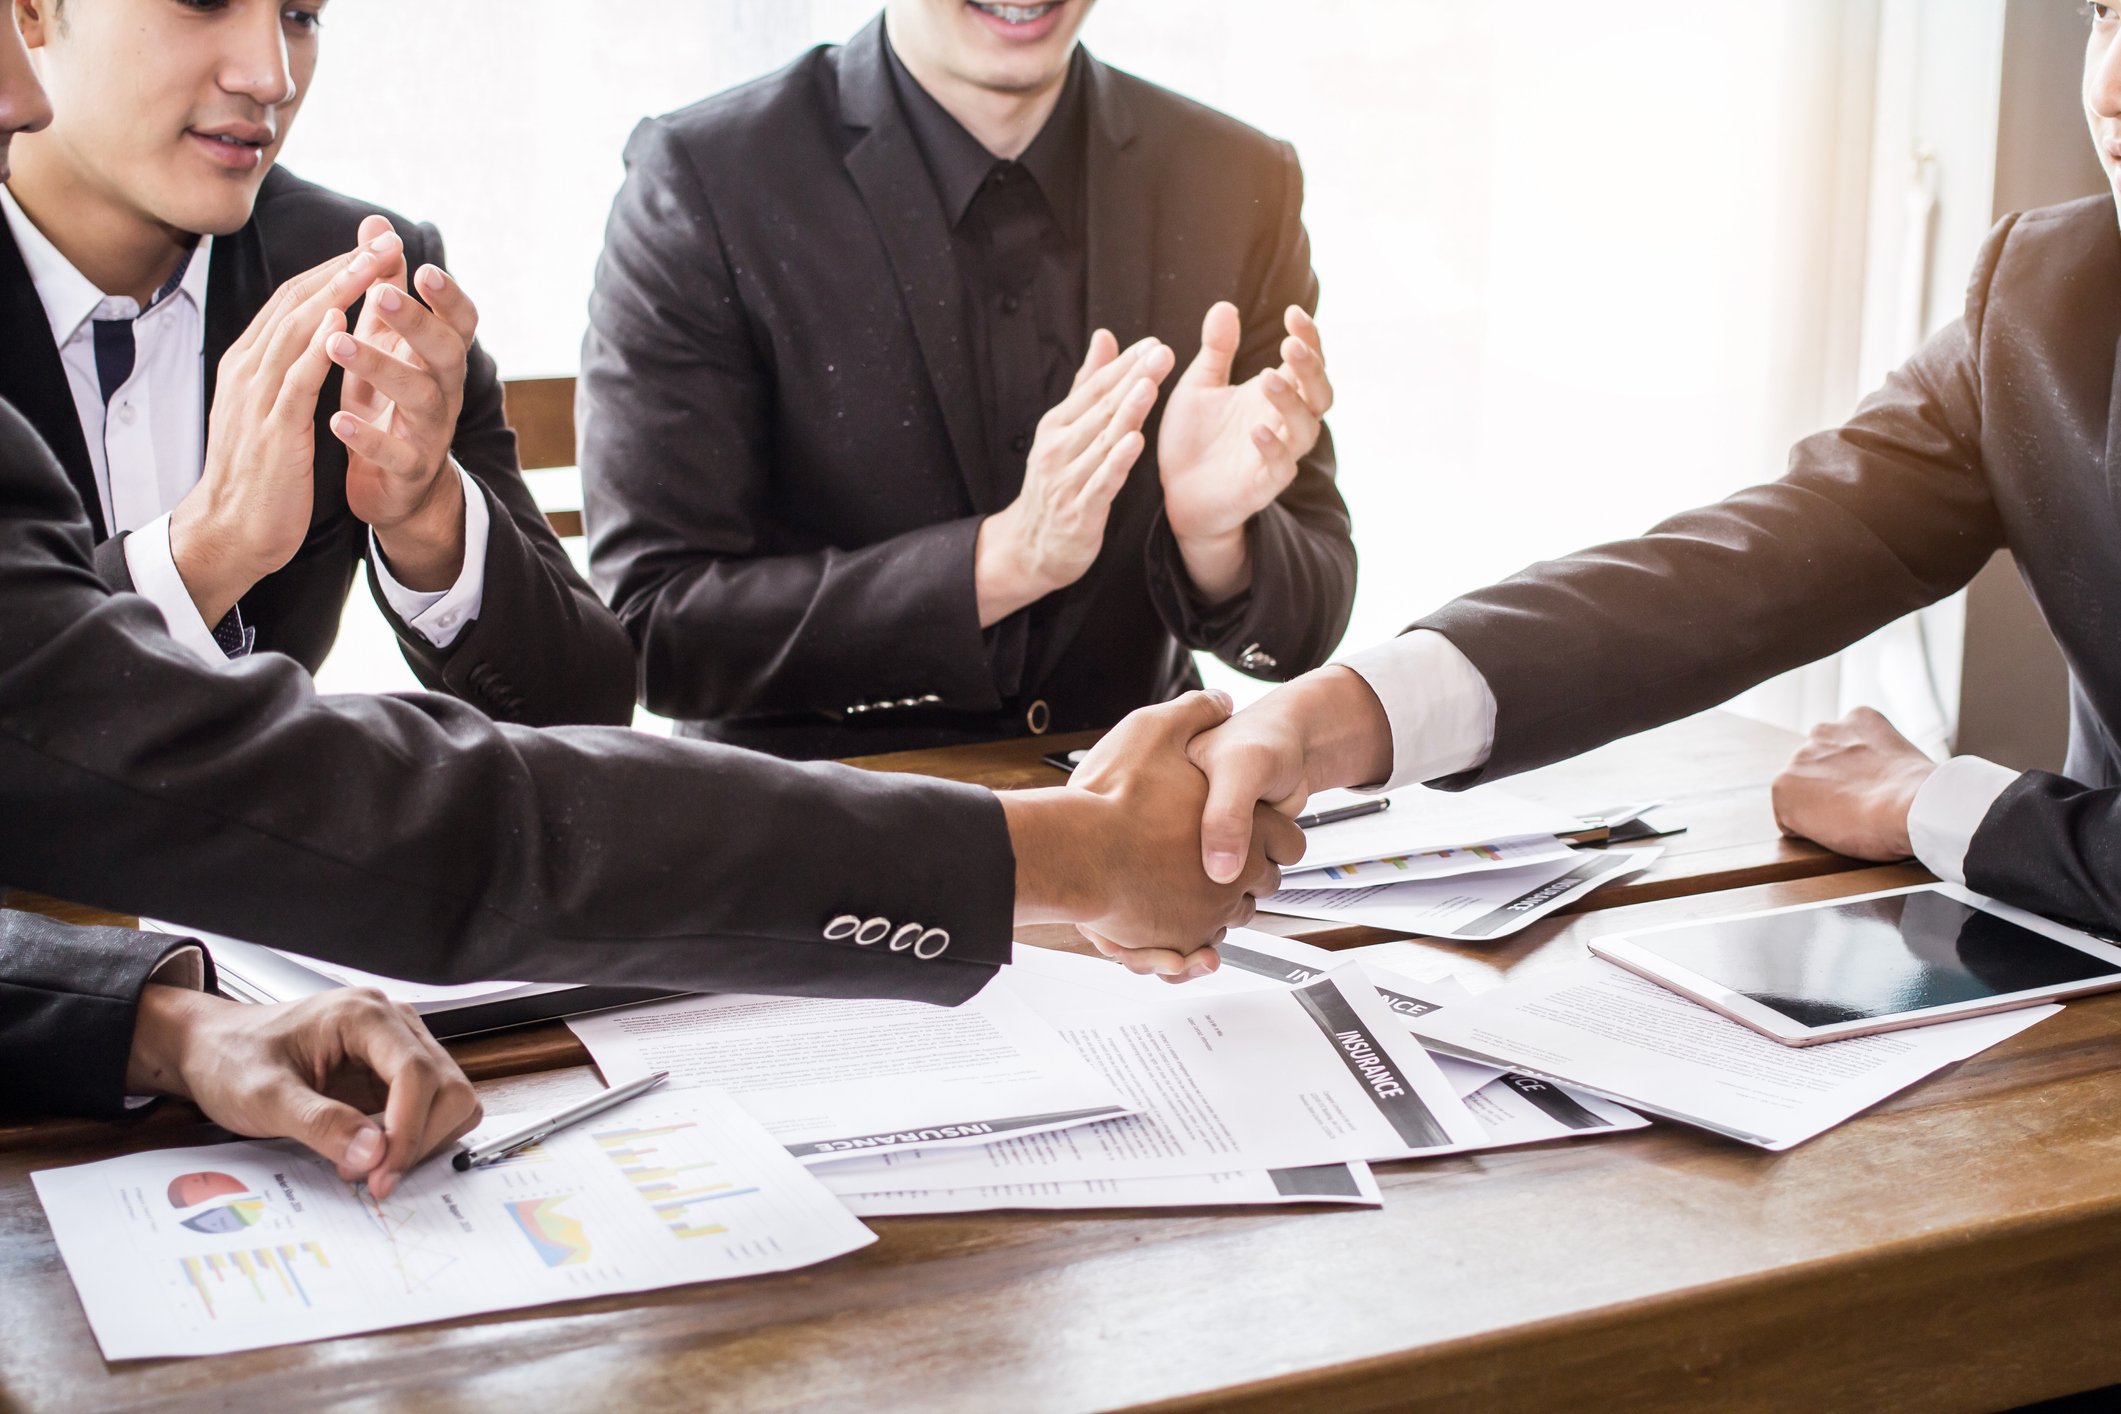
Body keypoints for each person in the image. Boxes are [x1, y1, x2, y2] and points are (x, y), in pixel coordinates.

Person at [1178, 0, 2121, 940]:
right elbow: (1754, 563)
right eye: (2103, 14)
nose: (2108, 89)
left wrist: (1935, 803)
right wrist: (1335, 716)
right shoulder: (2043, 300)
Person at [579, 0, 1356, 759]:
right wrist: (1005, 561)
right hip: (824, 834)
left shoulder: (1239, 178)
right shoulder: (707, 179)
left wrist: (1216, 541)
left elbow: (1304, 629)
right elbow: (656, 629)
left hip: (1136, 829)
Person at [2, 0, 634, 726]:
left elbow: (591, 711)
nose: (272, 77)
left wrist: (429, 521)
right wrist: (202, 555)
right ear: (31, 12)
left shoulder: (364, 275)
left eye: (300, 15)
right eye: (205, 2)